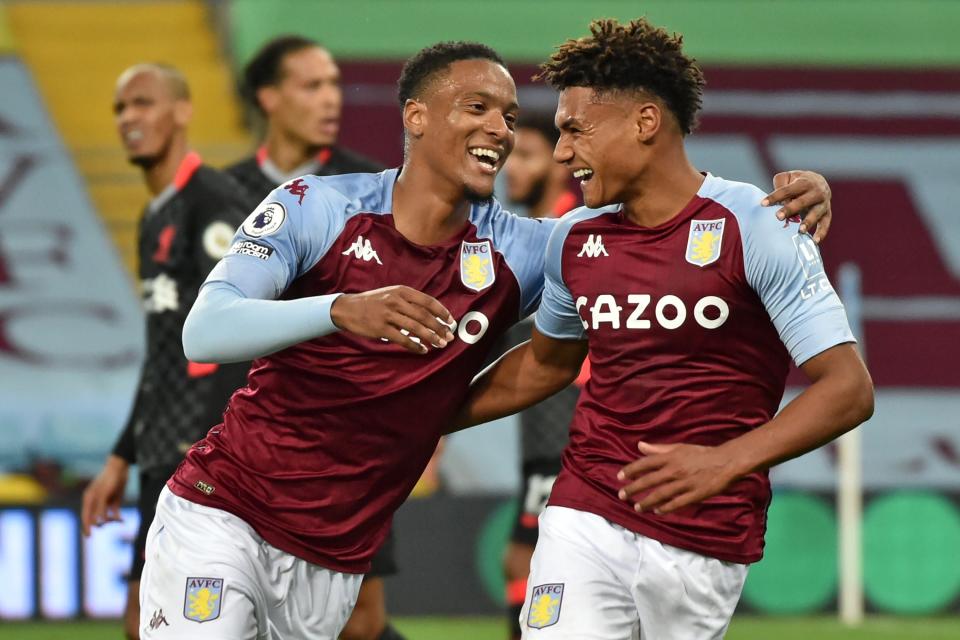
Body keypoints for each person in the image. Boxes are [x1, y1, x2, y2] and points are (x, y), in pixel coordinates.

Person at [138, 41, 835, 640]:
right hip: (223, 508)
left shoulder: (531, 250)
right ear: (416, 117)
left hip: (339, 554)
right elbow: (207, 330)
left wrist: (798, 200)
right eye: (476, 107)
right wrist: (341, 310)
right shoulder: (314, 205)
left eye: (507, 116)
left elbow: (652, 220)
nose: (501, 130)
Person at [454, 19, 874, 640]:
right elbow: (547, 364)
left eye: (576, 129)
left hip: (705, 529)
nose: (563, 151)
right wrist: (428, 414)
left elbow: (848, 388)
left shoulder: (755, 226)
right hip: (585, 506)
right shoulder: (574, 238)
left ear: (645, 122)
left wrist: (725, 462)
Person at [226, 35, 401, 640]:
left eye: (334, 84)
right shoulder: (223, 196)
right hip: (248, 436)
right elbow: (198, 327)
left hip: (354, 439)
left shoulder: (371, 190)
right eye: (312, 85)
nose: (331, 98)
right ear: (268, 98)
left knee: (360, 623)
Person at [81, 63, 251, 640]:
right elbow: (162, 355)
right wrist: (121, 454)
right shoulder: (154, 217)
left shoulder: (213, 202)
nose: (129, 119)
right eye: (120, 108)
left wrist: (213, 446)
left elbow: (240, 329)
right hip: (162, 454)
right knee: (145, 623)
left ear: (182, 111)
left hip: (202, 460)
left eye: (143, 103)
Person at [500, 110, 581, 640]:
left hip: (572, 424)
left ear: (557, 164)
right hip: (541, 426)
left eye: (525, 156)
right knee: (526, 562)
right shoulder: (525, 237)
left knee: (526, 560)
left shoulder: (577, 232)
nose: (510, 169)